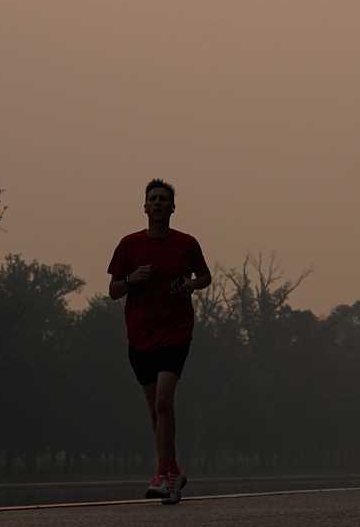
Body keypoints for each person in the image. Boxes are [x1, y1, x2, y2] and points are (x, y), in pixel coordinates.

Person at [107, 179, 212, 505]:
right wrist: (131, 279)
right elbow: (113, 290)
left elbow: (205, 276)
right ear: (145, 206)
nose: (157, 203)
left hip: (176, 333)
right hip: (140, 336)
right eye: (152, 199)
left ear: (172, 207)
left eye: (163, 199)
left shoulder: (186, 243)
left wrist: (190, 285)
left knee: (164, 402)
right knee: (156, 410)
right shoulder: (129, 245)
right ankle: (172, 470)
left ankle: (162, 474)